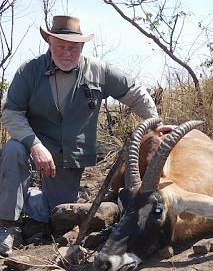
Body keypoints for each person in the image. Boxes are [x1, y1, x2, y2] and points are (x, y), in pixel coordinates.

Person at [0, 15, 159, 256]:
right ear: (50, 43)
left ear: (82, 46)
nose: (66, 53)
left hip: (69, 157)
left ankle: (17, 196)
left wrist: (156, 124)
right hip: (35, 147)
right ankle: (8, 226)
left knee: (54, 214)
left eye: (72, 47)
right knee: (13, 150)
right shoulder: (29, 71)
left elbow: (135, 94)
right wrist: (35, 146)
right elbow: (11, 114)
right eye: (60, 46)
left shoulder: (98, 70)